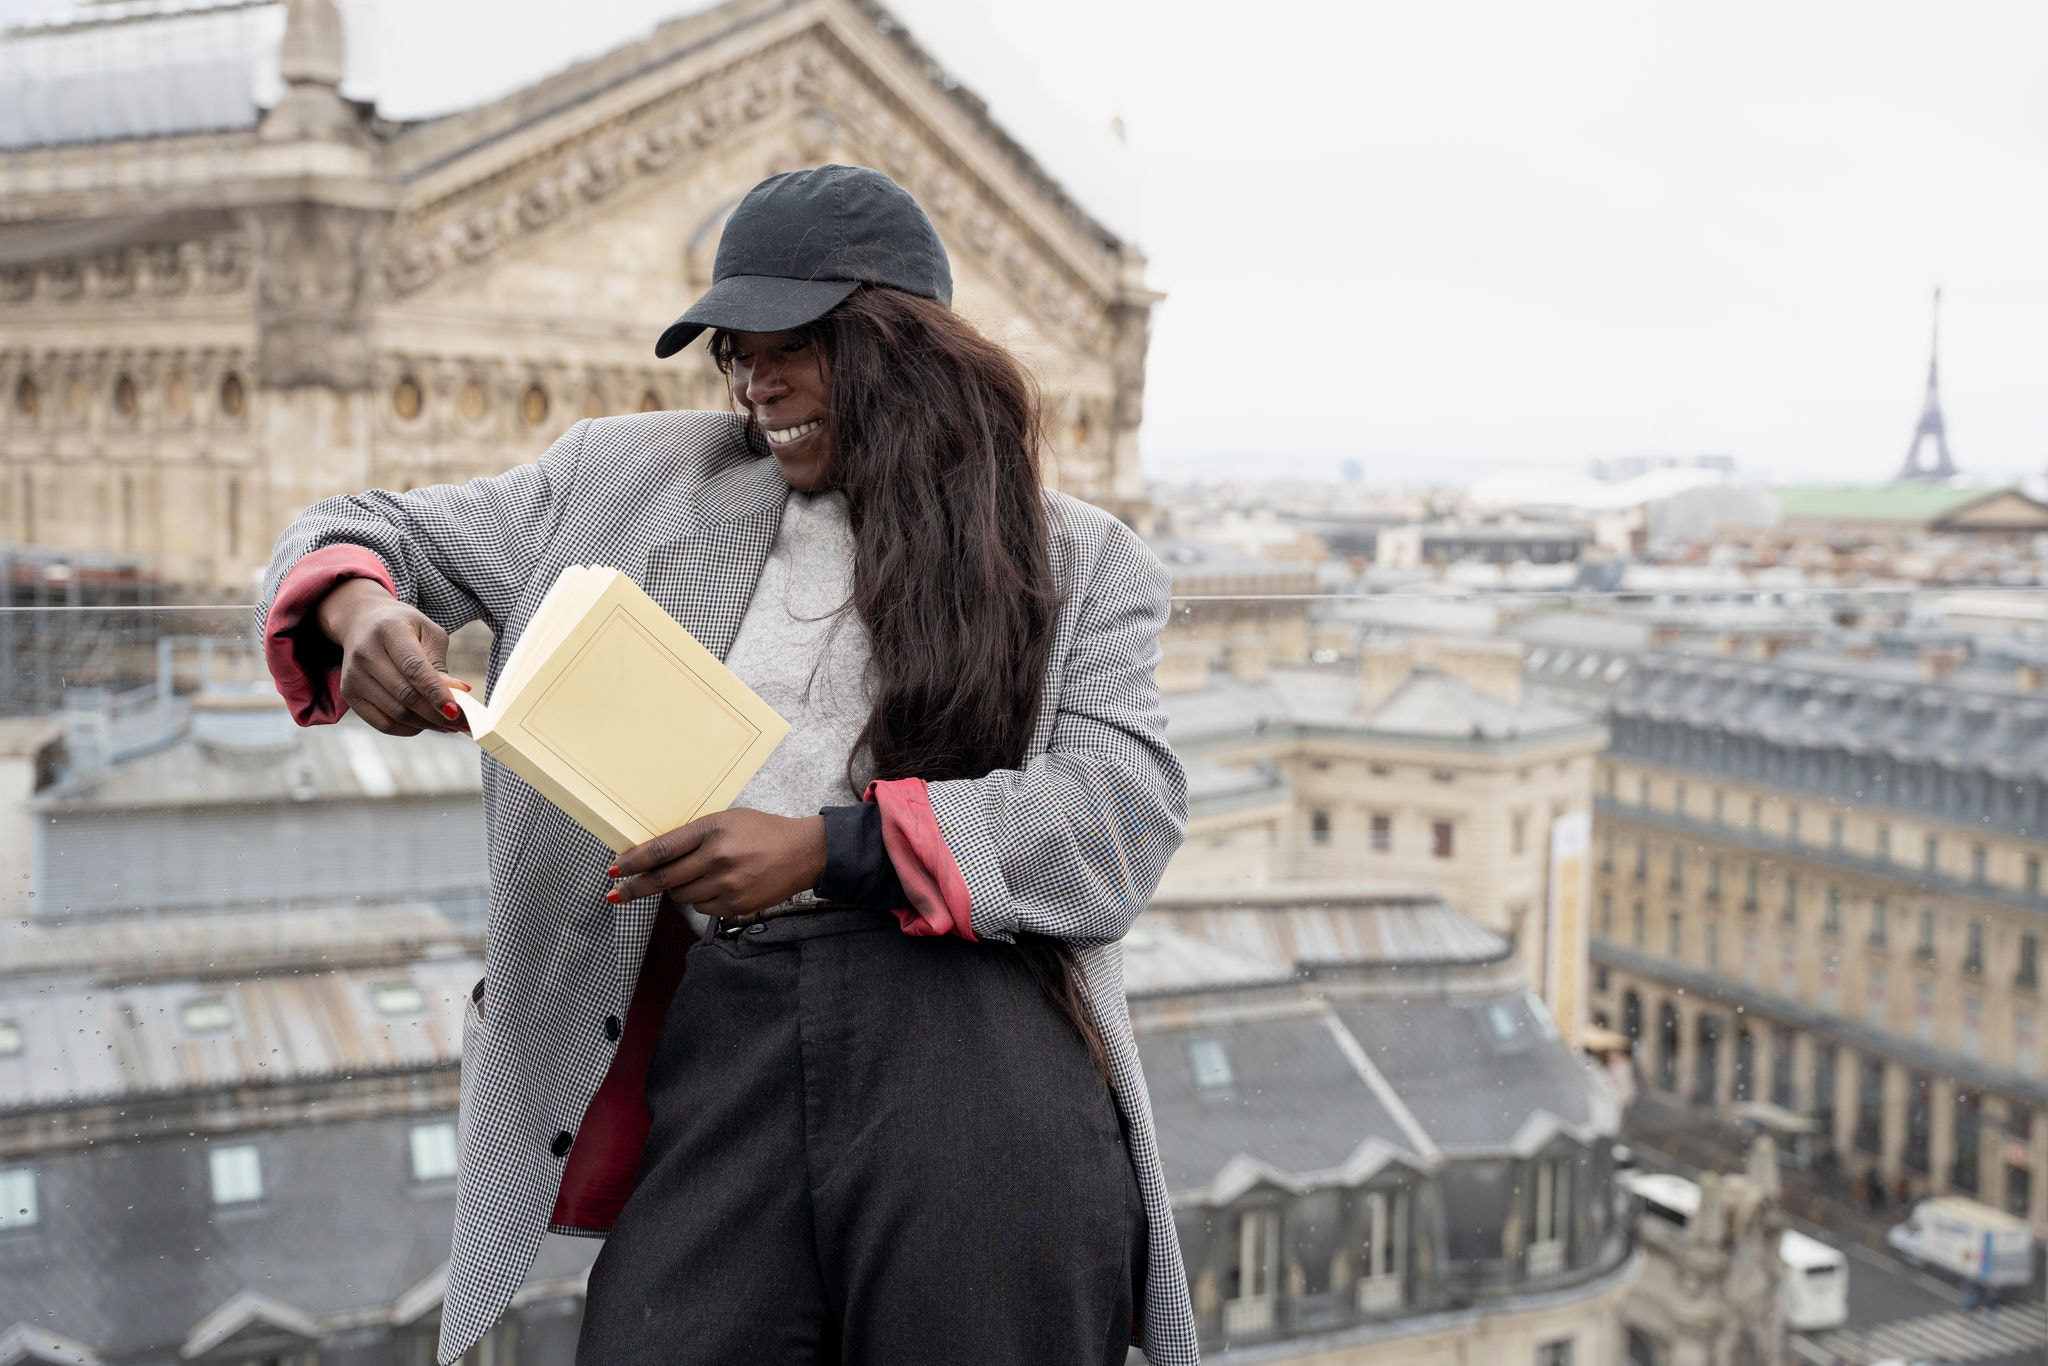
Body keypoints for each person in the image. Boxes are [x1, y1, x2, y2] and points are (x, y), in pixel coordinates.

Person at [256, 165, 1197, 1366]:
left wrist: (828, 845)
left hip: (972, 1049)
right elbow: (358, 523)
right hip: (721, 1034)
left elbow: (1120, 814)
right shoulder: (623, 480)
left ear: (901, 347)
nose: (758, 382)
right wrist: (359, 614)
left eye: (794, 346)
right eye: (734, 353)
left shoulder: (1078, 558)